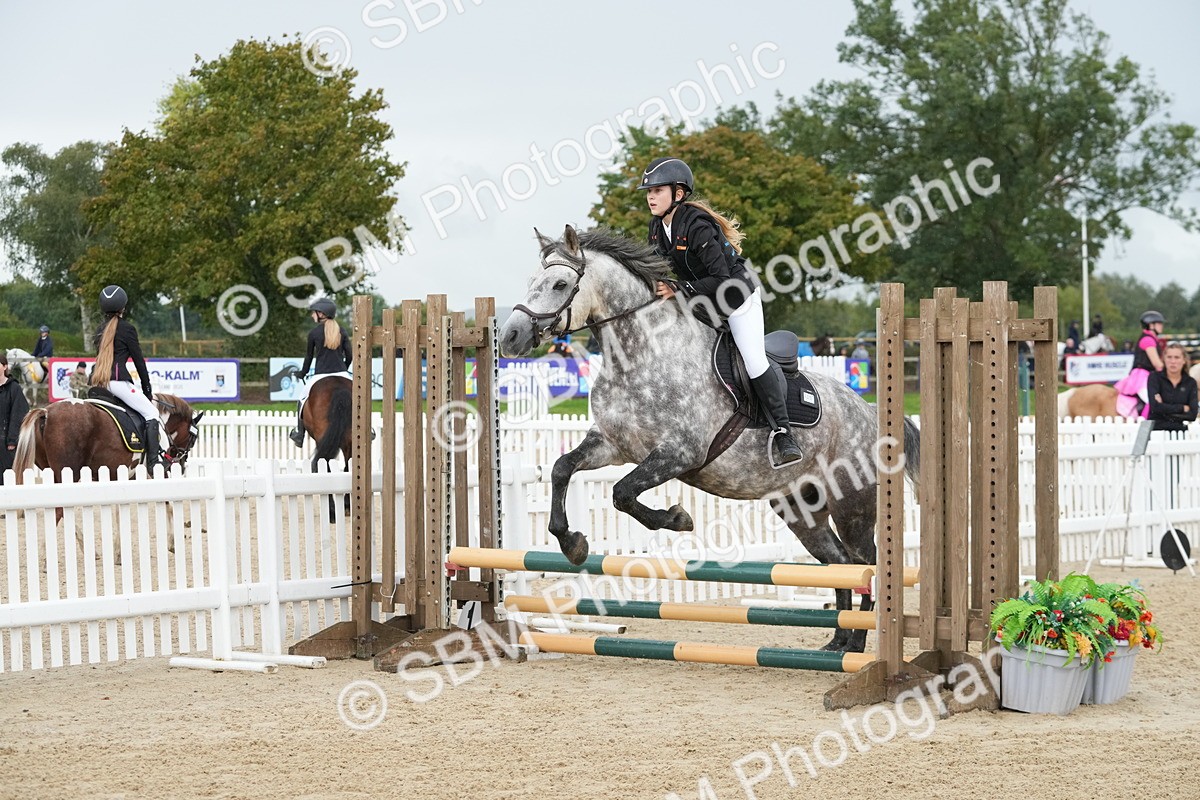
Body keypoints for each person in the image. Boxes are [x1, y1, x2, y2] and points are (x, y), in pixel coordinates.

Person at [638, 156, 802, 465]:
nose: (650, 196)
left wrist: (679, 290)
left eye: (657, 190)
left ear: (678, 193)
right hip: (703, 299)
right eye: (648, 191)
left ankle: (783, 432)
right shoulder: (657, 228)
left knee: (752, 359)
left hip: (736, 298)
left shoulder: (697, 225)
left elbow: (721, 279)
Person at [91, 285, 163, 471]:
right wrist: (147, 390)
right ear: (123, 307)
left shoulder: (99, 330)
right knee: (152, 414)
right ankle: (153, 463)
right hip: (117, 383)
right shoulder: (127, 329)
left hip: (97, 383)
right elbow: (139, 362)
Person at [290, 298, 352, 446]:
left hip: (320, 375)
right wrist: (343, 369)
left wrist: (303, 373)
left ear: (321, 314)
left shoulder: (314, 333)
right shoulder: (341, 331)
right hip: (342, 373)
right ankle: (367, 429)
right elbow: (349, 355)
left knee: (302, 398)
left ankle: (300, 433)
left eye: (314, 313)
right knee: (361, 398)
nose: (312, 316)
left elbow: (309, 357)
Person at [1113, 310, 1166, 419]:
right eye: (1159, 323)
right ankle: (1144, 423)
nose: (1162, 326)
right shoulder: (1148, 340)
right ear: (1151, 325)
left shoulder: (1152, 339)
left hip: (1147, 376)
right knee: (1152, 400)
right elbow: (1157, 364)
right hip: (1142, 377)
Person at [1148, 343, 1198, 432]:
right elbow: (1155, 408)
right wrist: (1182, 408)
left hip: (1180, 432)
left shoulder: (1190, 383)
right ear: (1164, 359)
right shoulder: (1154, 378)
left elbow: (1192, 415)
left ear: (1184, 360)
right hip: (1156, 431)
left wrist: (1164, 408)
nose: (1173, 361)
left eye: (1177, 357)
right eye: (1169, 357)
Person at [0, 352, 31, 483]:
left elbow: (19, 413)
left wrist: (12, 440)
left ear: (5, 367)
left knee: (6, 478)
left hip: (5, 441)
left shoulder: (14, 388)